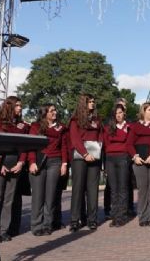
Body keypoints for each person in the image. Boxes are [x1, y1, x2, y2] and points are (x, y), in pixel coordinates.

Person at [0, 96, 28, 242]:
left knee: (8, 200)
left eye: (20, 105)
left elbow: (24, 146)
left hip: (15, 166)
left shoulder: (22, 126)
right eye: (17, 105)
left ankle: (4, 230)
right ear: (9, 106)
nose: (20, 108)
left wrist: (21, 162)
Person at [27, 104, 68, 236]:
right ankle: (36, 225)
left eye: (55, 110)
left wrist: (64, 164)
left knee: (51, 196)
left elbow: (64, 146)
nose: (55, 112)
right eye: (51, 111)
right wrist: (32, 162)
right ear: (44, 113)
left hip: (55, 162)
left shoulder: (61, 127)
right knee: (38, 196)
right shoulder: (35, 127)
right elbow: (31, 146)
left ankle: (47, 225)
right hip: (39, 162)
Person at [126, 102, 150, 226]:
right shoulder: (134, 126)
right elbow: (129, 144)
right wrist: (134, 156)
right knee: (142, 188)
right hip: (139, 161)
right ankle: (142, 217)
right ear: (143, 111)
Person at [68, 94, 103, 232]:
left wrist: (98, 149)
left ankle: (92, 220)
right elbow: (74, 139)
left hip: (94, 156)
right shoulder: (75, 119)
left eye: (94, 101)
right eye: (90, 102)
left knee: (93, 189)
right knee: (78, 189)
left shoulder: (97, 119)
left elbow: (100, 135)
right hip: (79, 157)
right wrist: (85, 154)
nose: (93, 104)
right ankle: (75, 220)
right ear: (84, 103)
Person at [103, 103, 131, 227]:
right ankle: (115, 216)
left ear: (124, 113)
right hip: (110, 159)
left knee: (123, 188)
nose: (118, 115)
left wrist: (120, 135)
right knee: (113, 189)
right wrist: (120, 136)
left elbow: (127, 141)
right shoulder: (108, 127)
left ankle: (122, 216)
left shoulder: (129, 126)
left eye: (120, 113)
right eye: (116, 113)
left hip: (123, 158)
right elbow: (106, 143)